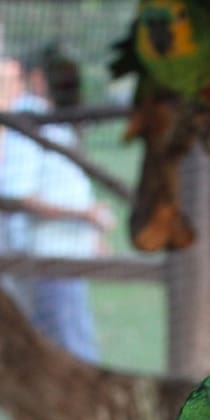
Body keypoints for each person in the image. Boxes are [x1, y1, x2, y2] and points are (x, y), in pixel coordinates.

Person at [0, 49, 112, 363]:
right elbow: (16, 194)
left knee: (64, 352)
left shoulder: (51, 122)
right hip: (49, 262)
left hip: (63, 259)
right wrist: (83, 215)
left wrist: (88, 231)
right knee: (73, 355)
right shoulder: (30, 120)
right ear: (38, 78)